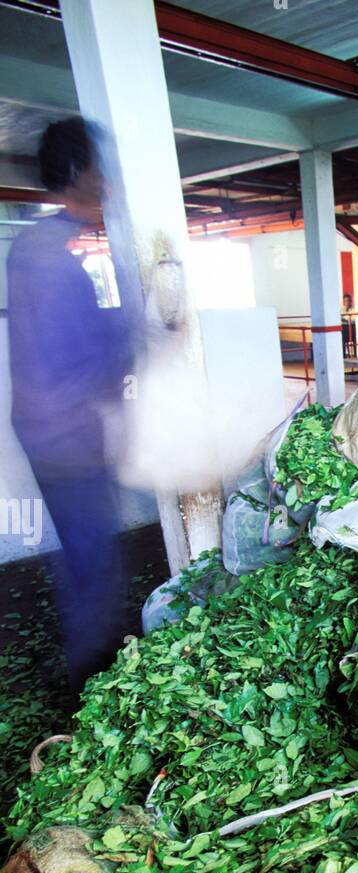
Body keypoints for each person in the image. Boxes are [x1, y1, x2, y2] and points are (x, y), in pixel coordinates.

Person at [7, 117, 132, 694]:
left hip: (47, 429)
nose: (107, 184)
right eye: (101, 170)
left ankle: (93, 659)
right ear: (79, 171)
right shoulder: (52, 263)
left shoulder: (37, 245)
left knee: (88, 551)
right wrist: (131, 335)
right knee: (92, 560)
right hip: (66, 437)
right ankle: (93, 679)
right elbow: (80, 357)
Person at [341, 292, 357, 357]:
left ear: (350, 301)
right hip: (344, 328)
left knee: (354, 341)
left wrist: (344, 319)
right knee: (342, 340)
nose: (347, 302)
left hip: (351, 328)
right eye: (345, 301)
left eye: (348, 301)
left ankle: (355, 355)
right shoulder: (342, 309)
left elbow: (352, 319)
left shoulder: (353, 309)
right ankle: (344, 356)